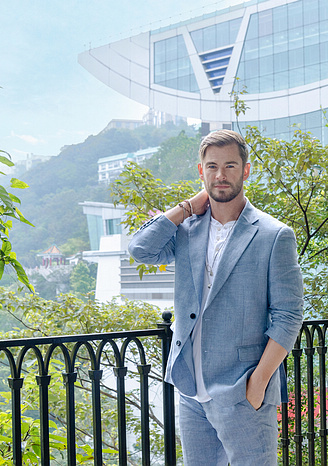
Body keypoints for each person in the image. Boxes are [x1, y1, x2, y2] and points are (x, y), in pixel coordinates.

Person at [128, 129, 304, 465]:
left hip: (242, 391)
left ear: (246, 170)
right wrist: (185, 208)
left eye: (229, 166)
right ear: (201, 172)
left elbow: (288, 315)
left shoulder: (274, 235)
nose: (220, 175)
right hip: (191, 390)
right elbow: (140, 249)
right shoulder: (187, 231)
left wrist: (258, 383)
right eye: (212, 167)